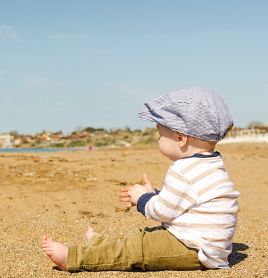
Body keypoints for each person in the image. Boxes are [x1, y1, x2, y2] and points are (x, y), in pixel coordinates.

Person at [42, 86, 239, 272]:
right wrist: (154, 194)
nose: (158, 139)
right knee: (144, 238)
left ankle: (75, 258)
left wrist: (142, 199)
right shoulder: (212, 164)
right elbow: (185, 203)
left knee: (138, 248)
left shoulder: (183, 170)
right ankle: (100, 243)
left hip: (194, 249)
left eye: (161, 134)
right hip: (210, 248)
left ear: (180, 138)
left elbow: (163, 212)